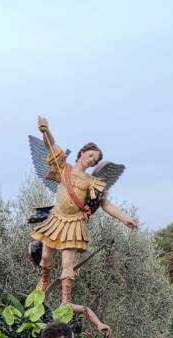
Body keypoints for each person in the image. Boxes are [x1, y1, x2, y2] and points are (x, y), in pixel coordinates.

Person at [30, 116, 138, 304]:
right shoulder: (64, 167)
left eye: (94, 160)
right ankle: (44, 281)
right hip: (56, 219)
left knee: (67, 263)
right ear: (82, 153)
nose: (91, 161)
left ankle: (66, 300)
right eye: (90, 156)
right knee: (46, 255)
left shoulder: (92, 182)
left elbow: (106, 205)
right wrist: (45, 130)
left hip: (74, 223)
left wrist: (124, 218)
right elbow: (51, 146)